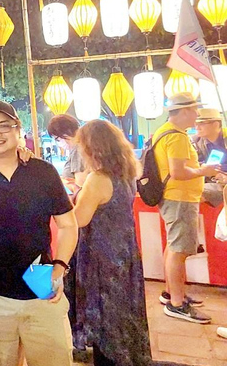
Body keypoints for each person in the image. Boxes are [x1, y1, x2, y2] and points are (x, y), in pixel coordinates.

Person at [0, 100, 78, 366]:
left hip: (42, 290)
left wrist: (59, 267)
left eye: (3, 126)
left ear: (17, 129)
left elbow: (69, 225)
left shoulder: (43, 173)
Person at [73, 120, 152, 366]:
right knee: (124, 312)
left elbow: (79, 218)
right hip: (124, 250)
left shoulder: (98, 179)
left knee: (104, 318)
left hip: (101, 255)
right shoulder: (127, 172)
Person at [152, 92, 217, 323]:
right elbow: (179, 172)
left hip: (174, 197)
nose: (197, 115)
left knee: (173, 247)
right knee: (179, 251)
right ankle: (176, 304)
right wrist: (204, 171)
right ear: (184, 111)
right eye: (194, 110)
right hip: (179, 198)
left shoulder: (164, 131)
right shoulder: (177, 137)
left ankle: (172, 292)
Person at [192, 107, 227, 207]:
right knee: (193, 192)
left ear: (216, 124)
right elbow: (194, 164)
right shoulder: (195, 141)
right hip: (211, 181)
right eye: (195, 124)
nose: (197, 127)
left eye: (202, 123)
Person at [47, 114, 87, 194]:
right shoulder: (81, 147)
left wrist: (62, 181)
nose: (58, 143)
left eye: (57, 139)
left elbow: (80, 187)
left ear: (65, 133)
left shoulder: (78, 149)